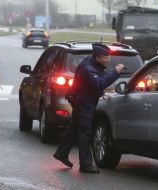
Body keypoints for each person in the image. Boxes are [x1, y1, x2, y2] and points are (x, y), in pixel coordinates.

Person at [53, 43, 125, 173]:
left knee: (74, 128)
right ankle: (86, 165)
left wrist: (100, 93)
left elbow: (91, 84)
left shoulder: (93, 64)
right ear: (97, 57)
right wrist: (115, 72)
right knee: (85, 133)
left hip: (81, 99)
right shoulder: (88, 68)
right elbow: (99, 83)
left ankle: (61, 153)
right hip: (83, 103)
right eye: (105, 58)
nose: (108, 60)